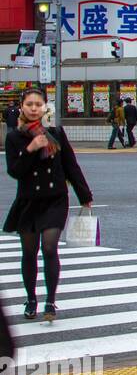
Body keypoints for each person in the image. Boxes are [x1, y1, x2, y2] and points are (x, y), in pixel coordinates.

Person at [4, 87, 93, 324]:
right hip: (28, 202)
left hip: (55, 199)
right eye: (29, 104)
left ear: (45, 107)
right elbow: (14, 171)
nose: (34, 108)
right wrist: (31, 149)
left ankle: (50, 300)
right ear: (22, 106)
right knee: (29, 252)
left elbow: (70, 164)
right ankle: (31, 298)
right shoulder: (14, 137)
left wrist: (84, 194)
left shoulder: (55, 132)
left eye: (38, 104)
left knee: (50, 247)